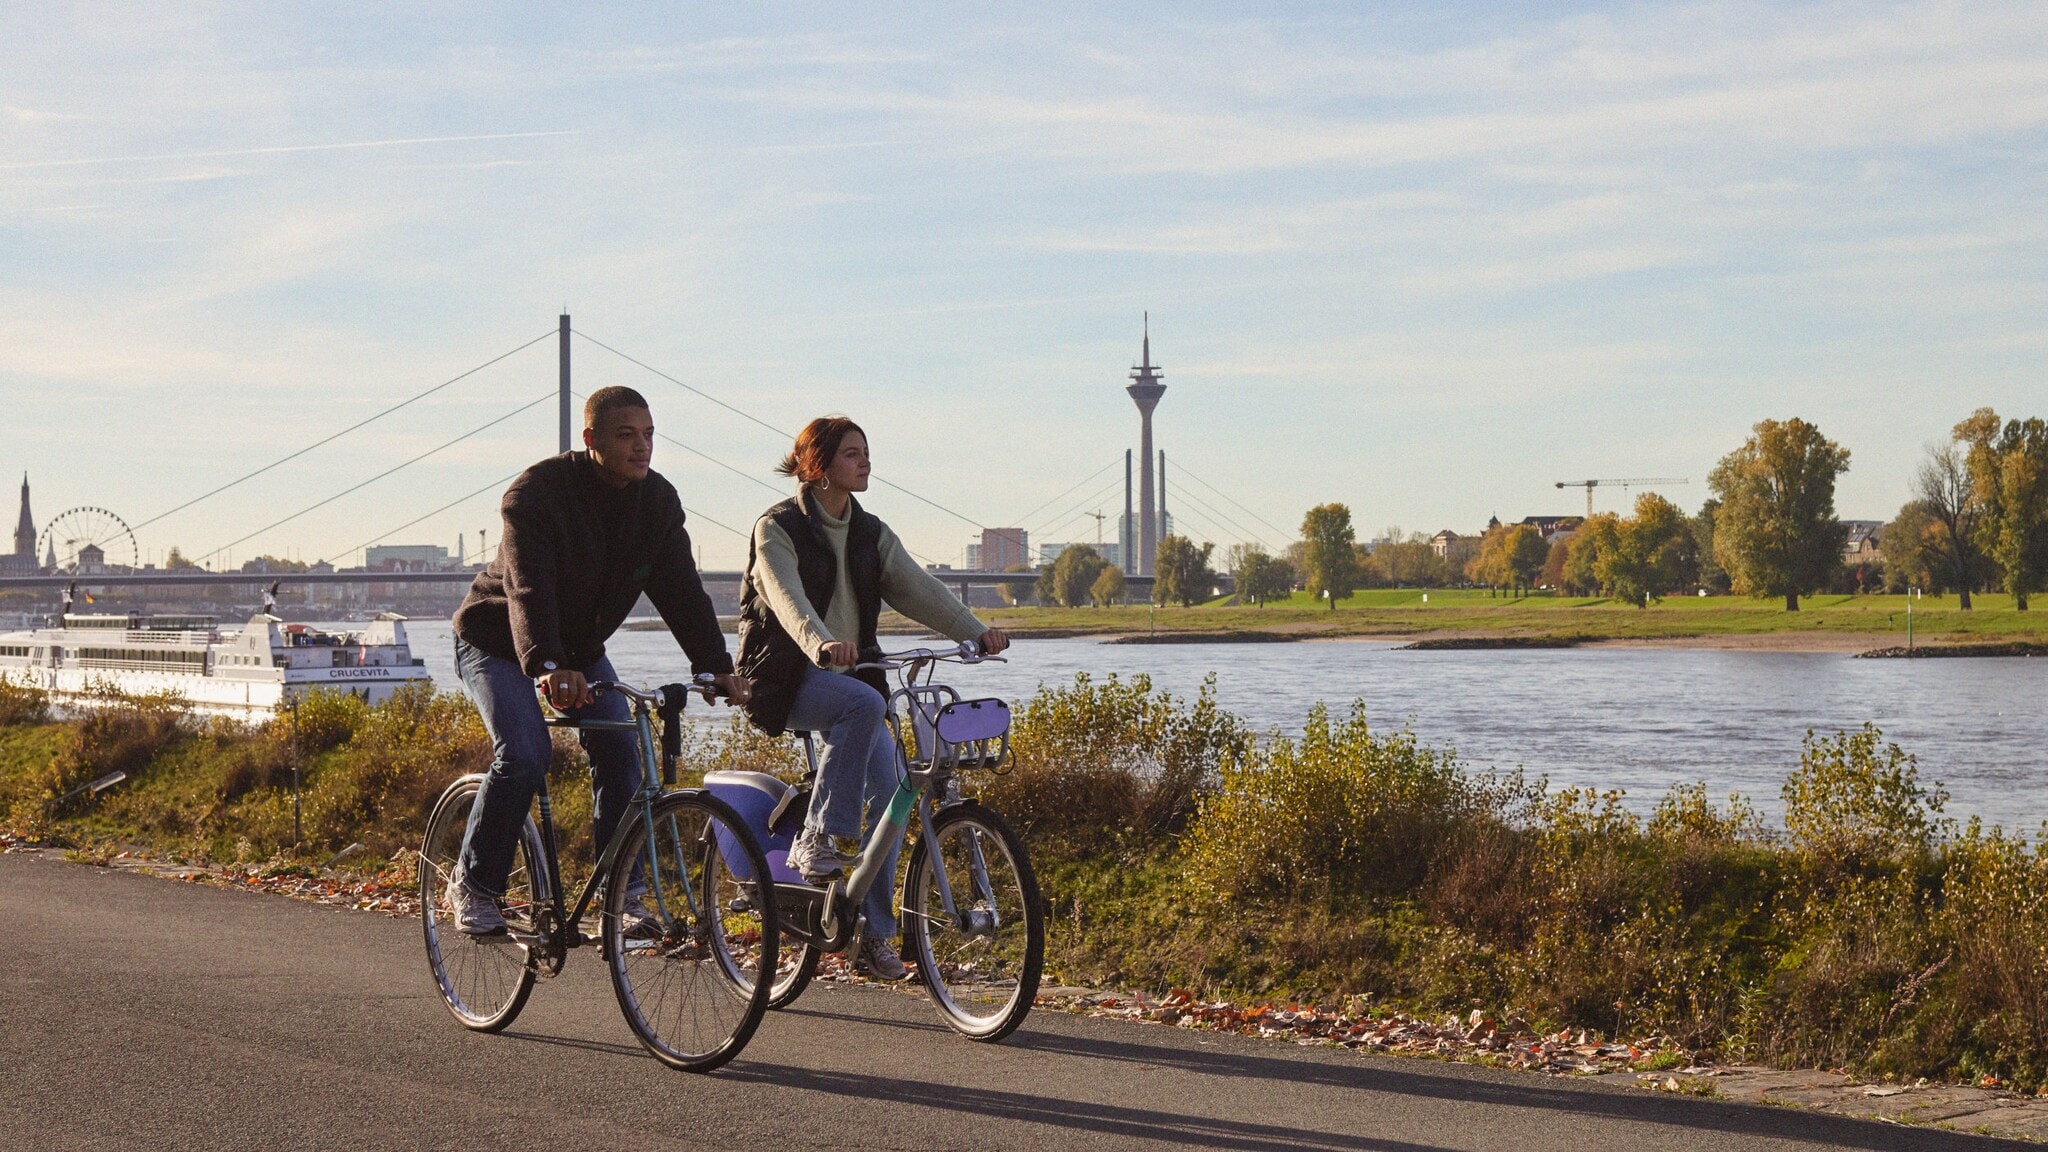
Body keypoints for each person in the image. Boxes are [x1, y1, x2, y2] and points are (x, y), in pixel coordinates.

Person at [446, 385, 751, 934]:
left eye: (650, 435)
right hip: (495, 641)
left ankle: (621, 895)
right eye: (626, 435)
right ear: (591, 439)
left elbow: (682, 591)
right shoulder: (537, 494)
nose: (642, 447)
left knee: (620, 749)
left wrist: (715, 666)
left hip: (580, 651)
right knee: (525, 752)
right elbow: (528, 589)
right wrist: (544, 665)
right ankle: (474, 884)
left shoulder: (656, 503)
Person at [736, 416, 1008, 980]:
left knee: (894, 794)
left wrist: (974, 630)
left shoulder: (869, 531)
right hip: (786, 676)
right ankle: (817, 838)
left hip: (852, 679)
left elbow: (917, 587)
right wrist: (820, 643)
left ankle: (876, 936)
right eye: (852, 454)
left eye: (867, 453)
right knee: (863, 705)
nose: (865, 463)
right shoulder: (777, 527)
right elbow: (786, 598)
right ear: (818, 466)